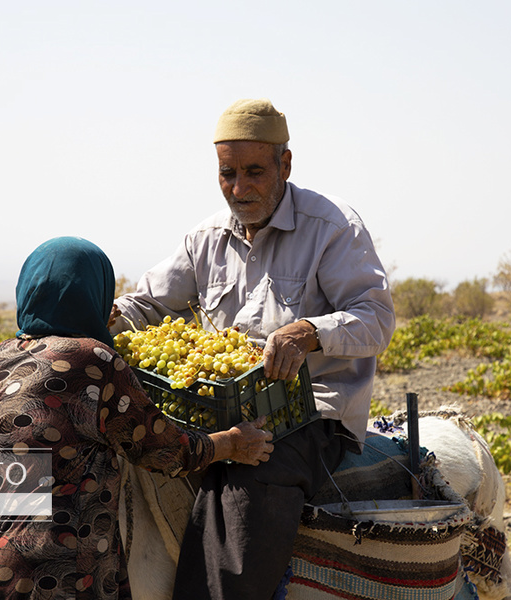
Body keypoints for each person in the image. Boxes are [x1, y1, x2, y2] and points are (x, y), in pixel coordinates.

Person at [109, 98, 395, 599]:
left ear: (286, 163)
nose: (239, 189)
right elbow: (148, 304)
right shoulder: (205, 238)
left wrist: (308, 332)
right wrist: (112, 317)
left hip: (310, 412)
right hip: (220, 403)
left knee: (250, 469)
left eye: (255, 171)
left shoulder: (332, 228)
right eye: (227, 174)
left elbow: (377, 319)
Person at [0, 236, 273, 600]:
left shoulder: (0, 358)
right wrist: (232, 442)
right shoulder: (96, 360)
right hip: (60, 577)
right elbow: (167, 450)